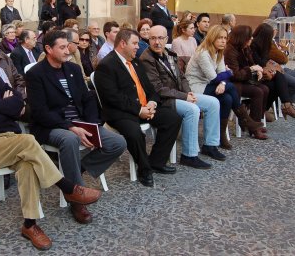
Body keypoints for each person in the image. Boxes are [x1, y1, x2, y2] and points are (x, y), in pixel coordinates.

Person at [0, 39, 102, 250]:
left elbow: (18, 104)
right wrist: (3, 111)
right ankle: (68, 187)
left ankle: (30, 225)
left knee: (28, 164)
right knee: (28, 140)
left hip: (10, 141)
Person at [26, 30, 125, 224]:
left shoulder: (72, 68)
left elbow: (87, 98)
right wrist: (70, 126)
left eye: (67, 46)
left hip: (80, 122)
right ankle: (76, 199)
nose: (67, 50)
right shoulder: (36, 74)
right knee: (70, 139)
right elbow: (39, 111)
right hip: (52, 125)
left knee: (117, 142)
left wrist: (91, 124)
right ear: (48, 49)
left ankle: (74, 172)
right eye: (62, 47)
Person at [94, 29, 181, 187]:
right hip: (121, 112)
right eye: (134, 43)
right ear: (122, 43)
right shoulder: (106, 66)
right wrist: (139, 110)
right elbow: (113, 98)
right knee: (134, 133)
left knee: (173, 118)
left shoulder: (135, 61)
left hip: (144, 106)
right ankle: (144, 169)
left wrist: (152, 103)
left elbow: (150, 89)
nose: (137, 47)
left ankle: (156, 161)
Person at [140, 26, 225, 169]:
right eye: (153, 38)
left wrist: (189, 93)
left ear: (167, 39)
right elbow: (158, 89)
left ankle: (210, 145)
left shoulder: (169, 54)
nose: (157, 42)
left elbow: (182, 77)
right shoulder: (146, 59)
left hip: (179, 94)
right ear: (148, 40)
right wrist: (185, 96)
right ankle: (189, 155)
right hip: (163, 100)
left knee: (213, 103)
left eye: (160, 38)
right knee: (191, 110)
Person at [185, 25, 264, 149]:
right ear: (212, 38)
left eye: (225, 38)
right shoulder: (203, 53)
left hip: (210, 84)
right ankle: (246, 120)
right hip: (196, 87)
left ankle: (222, 136)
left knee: (227, 98)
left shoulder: (219, 52)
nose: (223, 41)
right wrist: (227, 74)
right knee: (231, 87)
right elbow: (215, 77)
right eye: (220, 38)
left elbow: (222, 75)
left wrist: (223, 83)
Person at [223, 25, 268, 140]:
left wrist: (257, 70)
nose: (251, 39)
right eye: (249, 37)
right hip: (234, 82)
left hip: (245, 79)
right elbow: (235, 75)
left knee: (265, 89)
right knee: (258, 92)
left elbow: (250, 63)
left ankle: (256, 122)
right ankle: (254, 128)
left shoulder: (244, 48)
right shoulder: (230, 51)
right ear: (242, 38)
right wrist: (251, 69)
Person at [250, 23, 295, 118]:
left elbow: (275, 59)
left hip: (266, 71)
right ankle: (286, 106)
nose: (276, 32)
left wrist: (273, 65)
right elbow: (259, 61)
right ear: (266, 35)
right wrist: (273, 66)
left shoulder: (267, 44)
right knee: (279, 79)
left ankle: (278, 107)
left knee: (277, 81)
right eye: (273, 32)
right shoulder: (254, 45)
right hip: (255, 74)